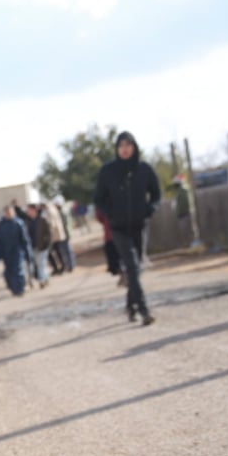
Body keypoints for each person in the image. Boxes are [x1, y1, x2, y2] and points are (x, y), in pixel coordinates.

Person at [94, 130, 161, 326]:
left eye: (128, 145)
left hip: (139, 226)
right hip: (118, 228)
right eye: (121, 146)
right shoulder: (108, 171)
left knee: (136, 268)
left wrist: (150, 210)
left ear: (134, 147)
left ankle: (130, 305)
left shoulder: (144, 169)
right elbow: (98, 199)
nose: (125, 149)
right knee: (131, 266)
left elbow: (156, 194)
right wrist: (111, 214)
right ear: (117, 149)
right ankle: (143, 310)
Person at [0, 205, 32, 297]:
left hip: (17, 252)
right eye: (7, 212)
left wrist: (28, 253)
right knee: (9, 273)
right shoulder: (1, 226)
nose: (9, 214)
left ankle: (20, 288)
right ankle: (14, 289)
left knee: (18, 271)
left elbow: (25, 240)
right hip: (6, 254)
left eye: (11, 212)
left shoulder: (19, 223)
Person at [26, 204, 52, 288]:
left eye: (29, 210)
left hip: (43, 246)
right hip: (33, 247)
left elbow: (48, 233)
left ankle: (42, 281)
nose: (28, 212)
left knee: (41, 263)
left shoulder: (42, 219)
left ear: (34, 210)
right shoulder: (28, 222)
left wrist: (46, 243)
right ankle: (45, 278)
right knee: (39, 264)